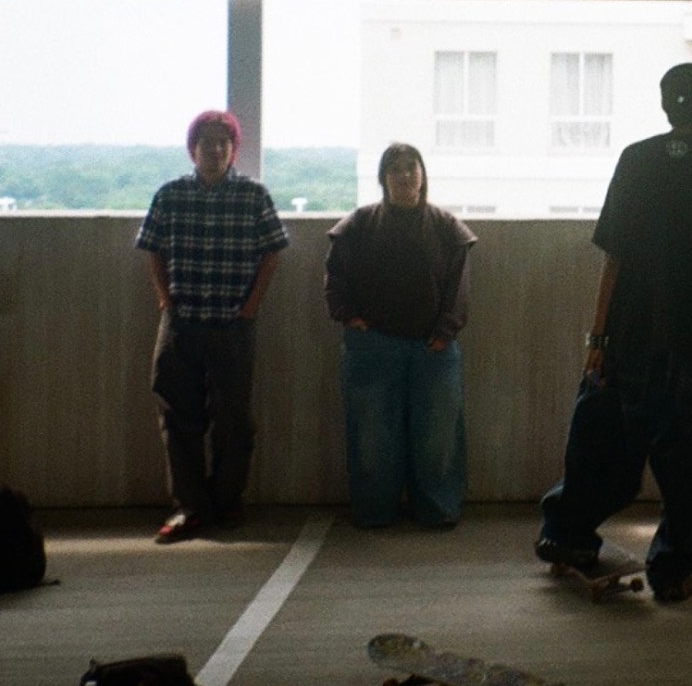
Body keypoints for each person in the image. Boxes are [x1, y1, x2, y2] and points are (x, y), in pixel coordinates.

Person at [535, 63, 692, 603]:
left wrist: (597, 339)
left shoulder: (635, 160)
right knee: (687, 469)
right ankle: (674, 573)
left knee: (601, 449)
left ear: (665, 104)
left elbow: (613, 258)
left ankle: (566, 534)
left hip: (627, 338)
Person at [135, 109, 290, 544]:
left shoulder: (253, 195)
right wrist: (165, 300)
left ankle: (227, 501)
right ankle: (190, 507)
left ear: (233, 150)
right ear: (193, 149)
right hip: (181, 322)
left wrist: (251, 307)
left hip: (233, 324)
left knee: (233, 419)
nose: (215, 150)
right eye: (206, 143)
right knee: (177, 416)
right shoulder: (170, 195)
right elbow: (152, 249)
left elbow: (273, 251)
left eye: (223, 143)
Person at [323, 143, 477, 529]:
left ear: (423, 175)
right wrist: (347, 316)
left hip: (434, 348)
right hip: (373, 346)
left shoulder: (446, 226)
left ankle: (437, 512)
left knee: (437, 437)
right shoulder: (359, 224)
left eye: (412, 167)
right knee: (373, 437)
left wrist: (445, 332)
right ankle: (375, 511)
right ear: (383, 178)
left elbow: (459, 286)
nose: (405, 175)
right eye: (395, 168)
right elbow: (336, 274)